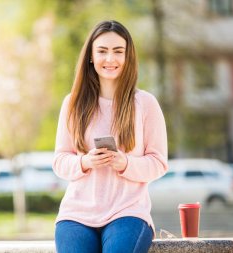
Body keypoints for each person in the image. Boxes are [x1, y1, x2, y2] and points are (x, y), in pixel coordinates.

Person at [52, 20, 168, 253]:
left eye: (118, 51)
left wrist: (125, 163)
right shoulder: (73, 103)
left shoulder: (145, 103)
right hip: (76, 214)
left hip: (128, 213)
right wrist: (85, 162)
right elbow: (60, 161)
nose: (110, 59)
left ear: (128, 57)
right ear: (91, 57)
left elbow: (158, 163)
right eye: (102, 51)